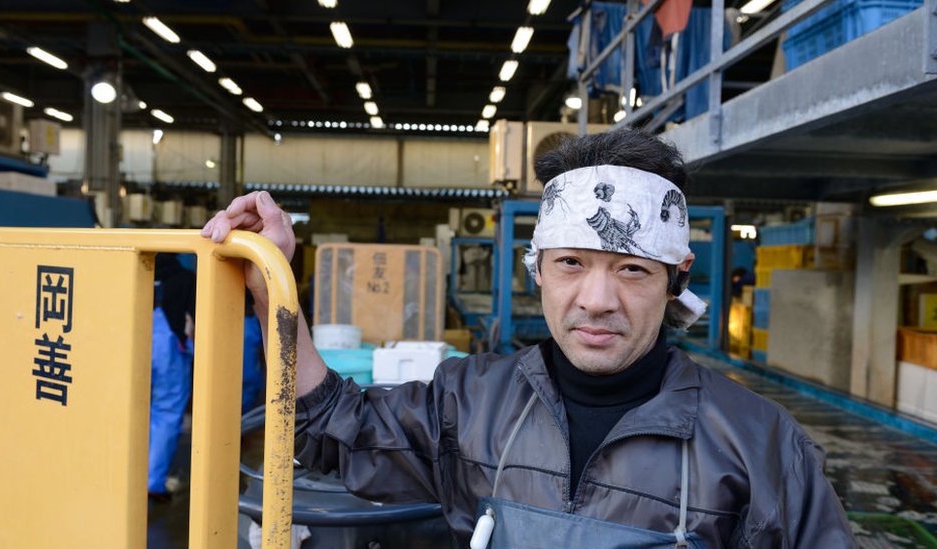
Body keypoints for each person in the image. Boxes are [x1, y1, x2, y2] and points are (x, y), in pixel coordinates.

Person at [202, 129, 855, 547]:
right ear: (536, 270)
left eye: (631, 269)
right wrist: (272, 284)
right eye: (571, 263)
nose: (597, 300)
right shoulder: (472, 401)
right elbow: (329, 427)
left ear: (675, 276)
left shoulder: (762, 445)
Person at [148, 253, 196, 502]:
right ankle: (153, 482)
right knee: (166, 414)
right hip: (169, 355)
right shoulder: (187, 279)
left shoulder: (134, 275)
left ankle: (122, 475)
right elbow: (196, 323)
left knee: (130, 413)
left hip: (133, 350)